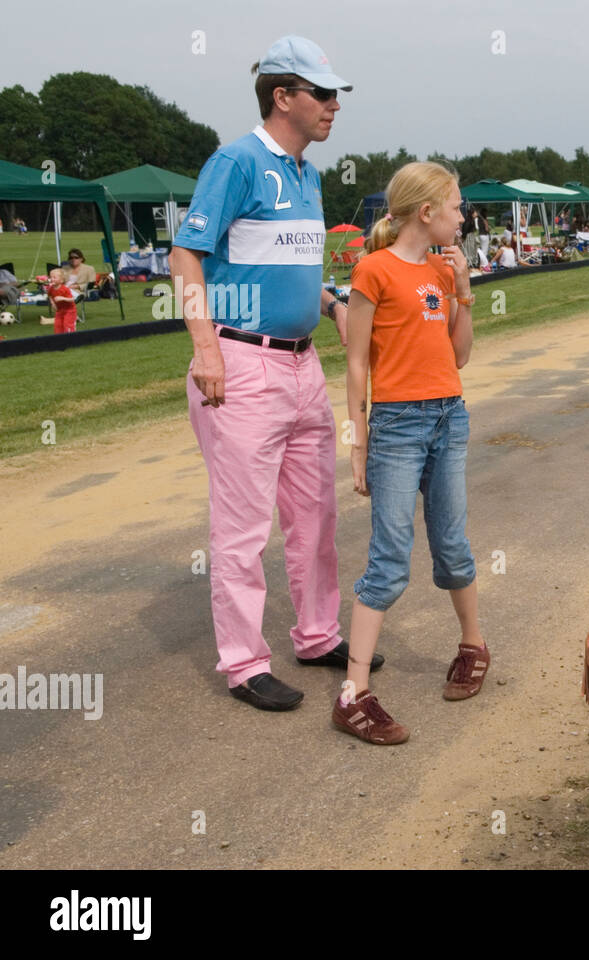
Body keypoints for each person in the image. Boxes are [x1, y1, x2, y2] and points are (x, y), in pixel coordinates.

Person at [169, 36, 376, 711]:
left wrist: (327, 300)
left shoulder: (309, 174)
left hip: (301, 364)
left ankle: (316, 635)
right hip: (241, 362)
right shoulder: (235, 161)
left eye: (335, 93)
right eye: (321, 93)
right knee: (243, 526)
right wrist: (205, 349)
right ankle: (243, 662)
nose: (333, 105)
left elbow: (282, 264)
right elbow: (185, 257)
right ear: (282, 96)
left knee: (315, 516)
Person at [339, 162, 488, 744]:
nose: (462, 216)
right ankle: (353, 695)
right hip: (397, 425)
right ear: (426, 213)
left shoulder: (442, 272)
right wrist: (359, 442)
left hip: (450, 416)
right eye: (455, 207)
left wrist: (466, 291)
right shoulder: (372, 271)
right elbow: (355, 363)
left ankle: (474, 646)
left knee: (451, 544)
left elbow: (461, 357)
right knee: (390, 558)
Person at [46, 268, 78, 334]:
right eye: (51, 277)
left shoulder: (65, 289)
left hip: (70, 310)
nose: (52, 279)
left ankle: (70, 339)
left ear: (61, 280)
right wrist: (52, 303)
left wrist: (63, 298)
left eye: (54, 277)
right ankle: (59, 340)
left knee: (68, 325)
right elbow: (49, 295)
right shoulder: (51, 288)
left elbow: (72, 299)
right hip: (60, 310)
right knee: (58, 325)